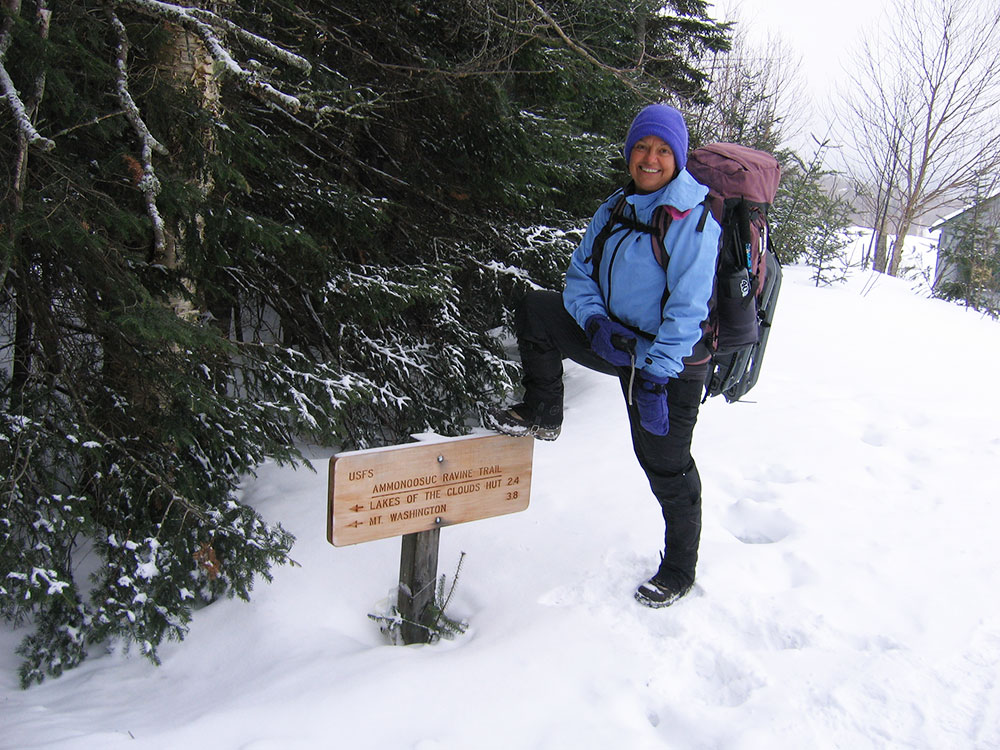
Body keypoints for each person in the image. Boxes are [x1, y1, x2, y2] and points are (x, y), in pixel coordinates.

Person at [487, 103, 721, 608]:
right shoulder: (615, 207)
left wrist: (656, 376)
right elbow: (580, 277)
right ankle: (544, 411)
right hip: (617, 342)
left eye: (662, 150)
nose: (650, 158)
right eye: (641, 146)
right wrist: (594, 321)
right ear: (629, 152)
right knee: (536, 310)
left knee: (663, 464)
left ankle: (679, 567)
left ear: (677, 158)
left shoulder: (693, 221)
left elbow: (687, 311)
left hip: (669, 366)